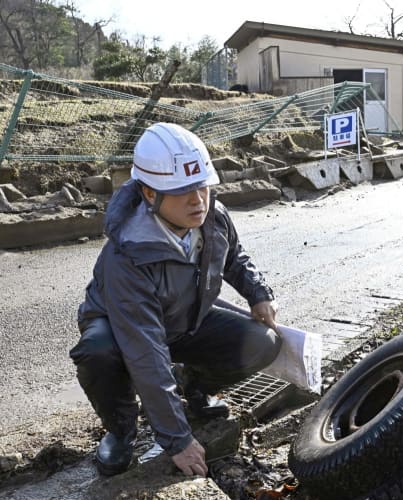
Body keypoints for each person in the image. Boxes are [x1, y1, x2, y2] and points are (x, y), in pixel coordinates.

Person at [69, 122, 283, 477]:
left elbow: (233, 257)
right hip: (123, 330)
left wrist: (258, 294)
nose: (198, 200)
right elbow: (144, 349)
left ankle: (193, 387)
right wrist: (178, 440)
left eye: (202, 187)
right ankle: (121, 430)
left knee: (264, 342)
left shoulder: (212, 216)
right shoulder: (127, 257)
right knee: (98, 352)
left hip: (185, 317)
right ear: (151, 194)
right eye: (183, 191)